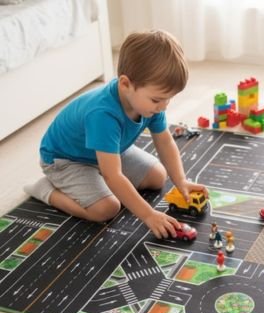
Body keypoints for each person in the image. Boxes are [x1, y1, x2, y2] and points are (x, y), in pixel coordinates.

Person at [24, 30, 207, 239]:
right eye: (157, 100)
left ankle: (97, 178)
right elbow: (113, 175)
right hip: (66, 160)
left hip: (108, 151)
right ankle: (46, 190)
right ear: (125, 84)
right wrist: (148, 215)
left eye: (169, 99)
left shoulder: (150, 104)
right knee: (106, 208)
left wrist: (181, 180)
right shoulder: (103, 115)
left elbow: (164, 141)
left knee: (158, 176)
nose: (164, 106)